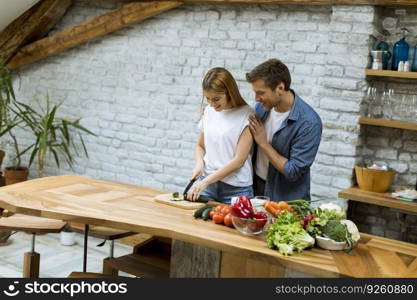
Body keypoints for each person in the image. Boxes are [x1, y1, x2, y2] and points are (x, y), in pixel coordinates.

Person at [246, 59, 322, 202]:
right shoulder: (261, 108)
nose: (256, 99)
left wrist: (263, 143)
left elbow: (293, 171)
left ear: (280, 88)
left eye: (261, 93)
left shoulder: (309, 123)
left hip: (286, 200)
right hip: (256, 189)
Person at [187, 67, 254, 204]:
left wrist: (205, 182)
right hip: (207, 185)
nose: (212, 104)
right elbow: (200, 145)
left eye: (216, 99)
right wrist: (199, 164)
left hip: (236, 189)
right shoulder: (209, 111)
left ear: (229, 92)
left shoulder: (247, 115)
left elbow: (239, 161)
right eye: (208, 99)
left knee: (236, 225)